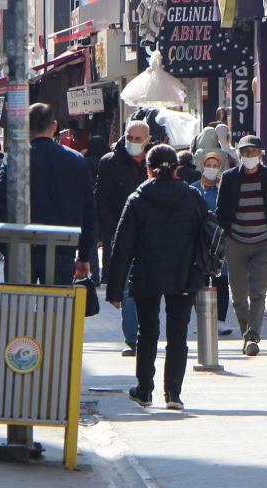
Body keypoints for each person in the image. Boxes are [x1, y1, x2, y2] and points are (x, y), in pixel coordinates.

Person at [106, 145, 209, 411]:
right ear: (176, 168)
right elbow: (209, 233)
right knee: (178, 334)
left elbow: (122, 246)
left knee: (147, 332)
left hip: (146, 274)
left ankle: (144, 390)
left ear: (148, 168)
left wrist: (115, 290)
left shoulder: (138, 199)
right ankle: (173, 394)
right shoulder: (192, 196)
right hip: (183, 274)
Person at [0, 103, 96, 285]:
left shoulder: (15, 160)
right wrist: (84, 255)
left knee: (18, 308)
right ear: (55, 125)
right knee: (57, 309)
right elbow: (88, 211)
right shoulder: (76, 161)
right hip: (62, 249)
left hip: (19, 248)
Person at [216, 135, 267, 357]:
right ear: (239, 155)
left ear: (261, 154)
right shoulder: (228, 178)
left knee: (258, 293)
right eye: (245, 153)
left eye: (253, 153)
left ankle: (252, 336)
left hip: (264, 242)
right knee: (238, 296)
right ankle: (247, 332)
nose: (249, 157)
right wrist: (226, 237)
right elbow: (221, 210)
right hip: (236, 242)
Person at [96, 119, 151, 356]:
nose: (133, 143)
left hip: (153, 236)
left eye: (138, 139)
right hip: (123, 235)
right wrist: (113, 231)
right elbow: (101, 201)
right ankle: (133, 339)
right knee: (129, 288)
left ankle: (148, 334)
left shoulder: (155, 161)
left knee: (151, 289)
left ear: (147, 140)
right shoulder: (110, 162)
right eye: (129, 137)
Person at [190, 151, 233, 336]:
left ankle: (220, 320)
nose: (212, 169)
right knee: (199, 280)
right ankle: (202, 319)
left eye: (216, 166)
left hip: (221, 241)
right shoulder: (193, 189)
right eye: (209, 165)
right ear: (202, 166)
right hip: (199, 240)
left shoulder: (223, 189)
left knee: (221, 280)